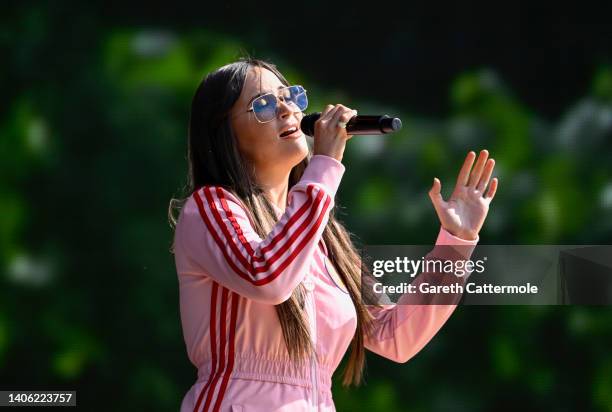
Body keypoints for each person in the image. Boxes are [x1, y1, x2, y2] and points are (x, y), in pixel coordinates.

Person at [169, 58, 498, 412]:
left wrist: (455, 244)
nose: (286, 109)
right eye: (263, 104)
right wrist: (324, 165)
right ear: (223, 133)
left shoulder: (321, 237)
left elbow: (396, 336)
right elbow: (267, 276)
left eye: (290, 96)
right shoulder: (210, 207)